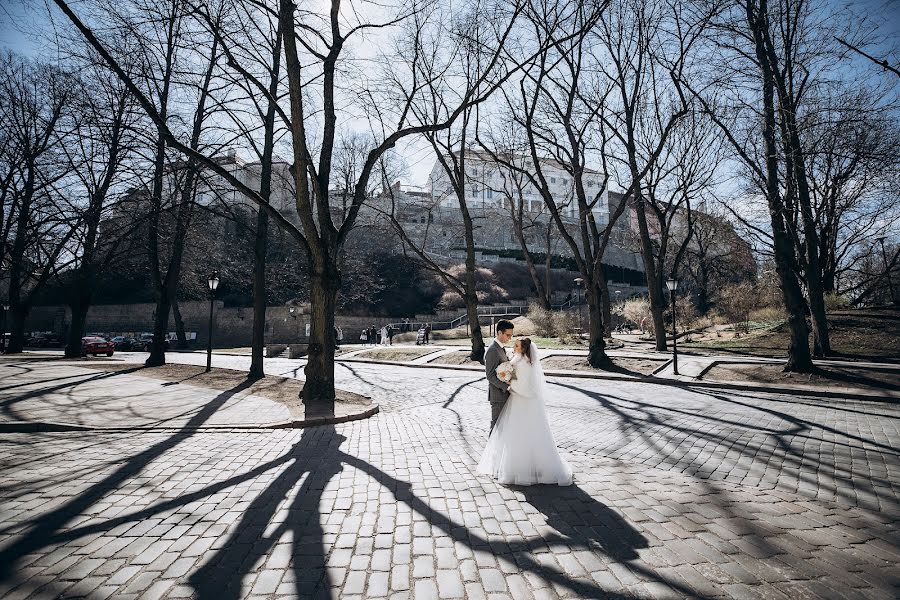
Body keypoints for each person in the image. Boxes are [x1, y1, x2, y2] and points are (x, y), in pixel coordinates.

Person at [478, 336, 573, 486]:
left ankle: (522, 468)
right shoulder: (518, 358)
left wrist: (509, 385)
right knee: (520, 434)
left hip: (522, 401)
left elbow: (523, 385)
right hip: (519, 400)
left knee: (523, 434)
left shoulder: (524, 363)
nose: (513, 347)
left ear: (523, 349)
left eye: (516, 345)